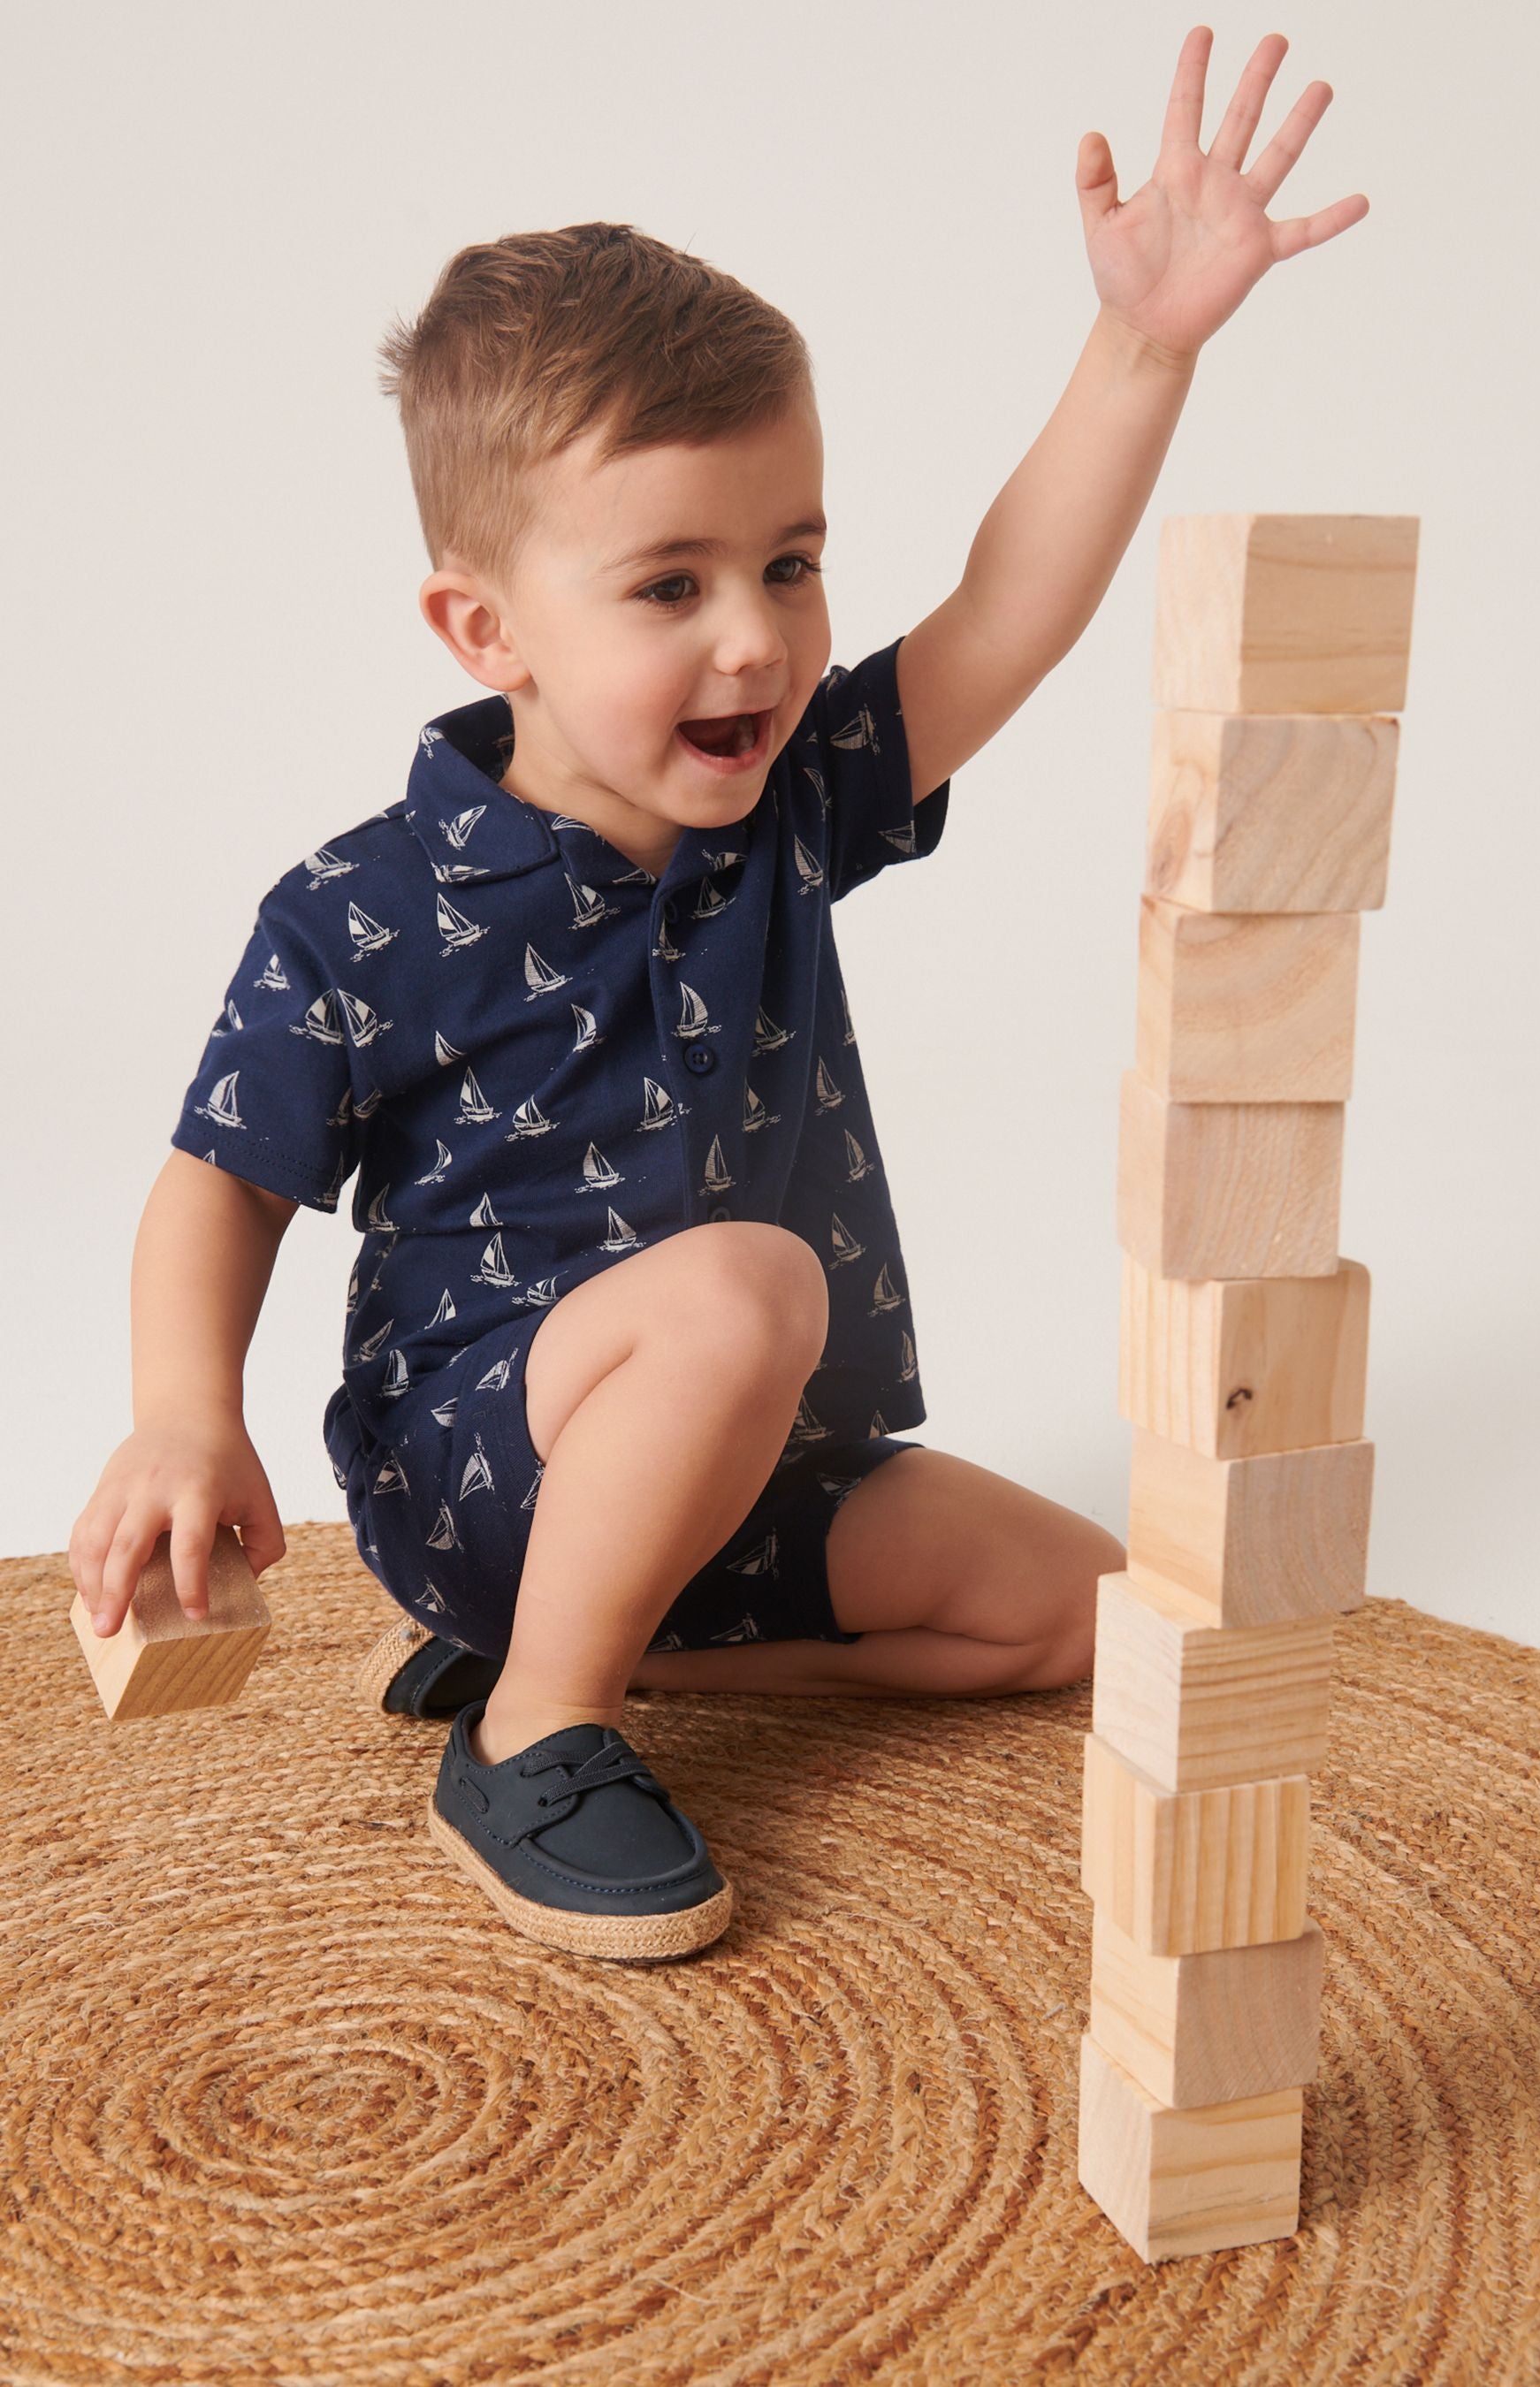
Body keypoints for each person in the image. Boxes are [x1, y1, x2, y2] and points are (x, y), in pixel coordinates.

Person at [68, 34, 1367, 1964]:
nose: (757, 635)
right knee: (754, 1280)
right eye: (668, 587)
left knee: (1078, 1608)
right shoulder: (363, 903)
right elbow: (219, 1179)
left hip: (752, 1458)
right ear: (486, 627)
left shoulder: (785, 809)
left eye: (791, 560)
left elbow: (1006, 609)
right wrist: (183, 1415)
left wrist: (1144, 349)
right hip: (482, 1453)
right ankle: (538, 1723)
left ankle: (610, 1643)